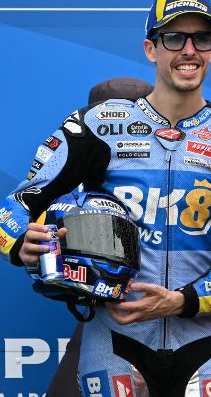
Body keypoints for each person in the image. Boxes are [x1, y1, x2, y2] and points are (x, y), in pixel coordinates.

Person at [0, 0, 211, 396]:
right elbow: (11, 209)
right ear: (150, 49)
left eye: (202, 39)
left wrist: (179, 301)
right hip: (116, 340)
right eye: (174, 38)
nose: (188, 50)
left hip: (205, 343)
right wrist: (19, 240)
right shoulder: (98, 124)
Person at [45, 77, 153, 397]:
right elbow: (13, 217)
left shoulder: (185, 174)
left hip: (163, 325)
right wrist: (32, 245)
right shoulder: (73, 170)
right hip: (100, 320)